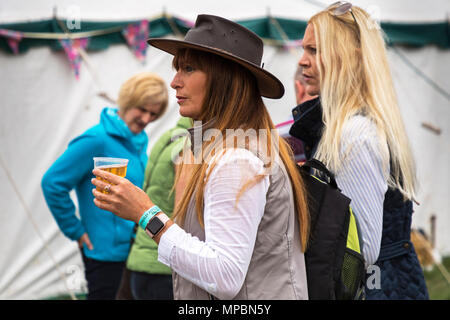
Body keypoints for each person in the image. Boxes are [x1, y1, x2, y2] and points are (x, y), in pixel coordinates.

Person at [91, 14, 310, 300]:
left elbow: (225, 275)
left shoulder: (237, 159)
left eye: (188, 69)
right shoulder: (238, 143)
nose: (174, 82)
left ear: (224, 79)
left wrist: (146, 214)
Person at [289, 2, 428, 299]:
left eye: (314, 50)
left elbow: (361, 250)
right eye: (304, 50)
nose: (302, 62)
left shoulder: (355, 134)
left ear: (349, 56)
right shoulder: (345, 127)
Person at [41, 72, 168, 300]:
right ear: (128, 101)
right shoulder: (96, 139)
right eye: (143, 109)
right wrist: (76, 231)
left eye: (153, 113)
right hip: (103, 253)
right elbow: (52, 183)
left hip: (131, 248)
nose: (147, 118)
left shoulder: (138, 140)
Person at [115, 117, 192, 300]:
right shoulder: (187, 150)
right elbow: (185, 219)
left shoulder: (168, 138)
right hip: (163, 269)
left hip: (140, 260)